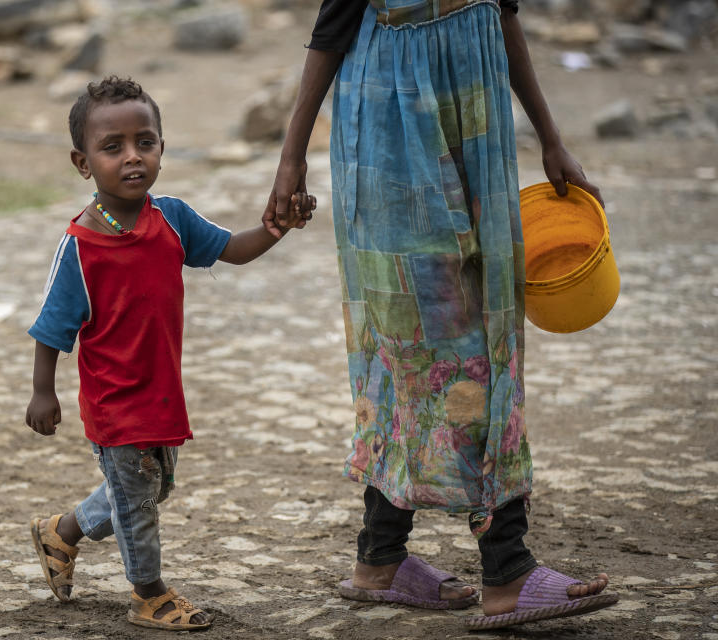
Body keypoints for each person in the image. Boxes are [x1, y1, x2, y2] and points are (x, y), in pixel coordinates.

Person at [263, 0, 617, 630]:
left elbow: (502, 13)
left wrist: (552, 138)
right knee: (424, 333)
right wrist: (291, 158)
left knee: (482, 323)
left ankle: (381, 559)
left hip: (477, 110)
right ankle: (507, 570)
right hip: (391, 121)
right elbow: (333, 24)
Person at [24, 76, 313, 631]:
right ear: (83, 163)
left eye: (145, 142)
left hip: (161, 392)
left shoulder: (172, 218)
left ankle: (61, 531)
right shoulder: (81, 247)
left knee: (152, 489)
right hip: (115, 403)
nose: (132, 158)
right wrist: (43, 390)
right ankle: (149, 594)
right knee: (137, 504)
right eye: (113, 148)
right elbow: (51, 327)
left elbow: (232, 248)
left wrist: (279, 227)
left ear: (161, 147)